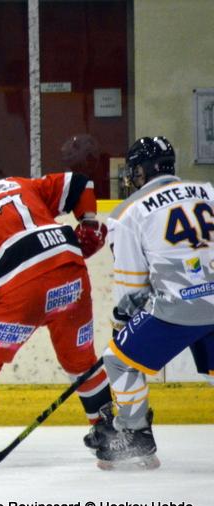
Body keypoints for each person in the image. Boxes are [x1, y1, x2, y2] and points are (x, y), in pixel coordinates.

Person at [0, 155, 112, 456]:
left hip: (22, 288)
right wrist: (89, 223)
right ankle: (109, 430)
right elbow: (79, 183)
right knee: (80, 361)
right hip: (71, 274)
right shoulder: (19, 184)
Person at [85, 136, 214, 470]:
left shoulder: (129, 211)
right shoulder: (208, 191)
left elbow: (131, 282)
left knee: (118, 360)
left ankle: (134, 436)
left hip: (176, 306)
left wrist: (121, 321)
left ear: (142, 170)